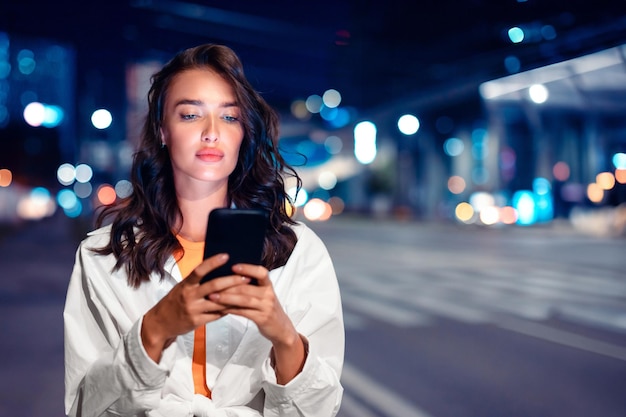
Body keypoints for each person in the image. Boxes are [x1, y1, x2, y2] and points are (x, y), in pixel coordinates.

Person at [63, 44, 344, 417]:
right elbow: (84, 407)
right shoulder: (105, 257)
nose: (212, 132)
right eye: (191, 114)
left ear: (244, 132)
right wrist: (158, 327)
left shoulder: (297, 252)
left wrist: (284, 337)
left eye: (229, 118)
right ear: (163, 130)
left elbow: (320, 409)